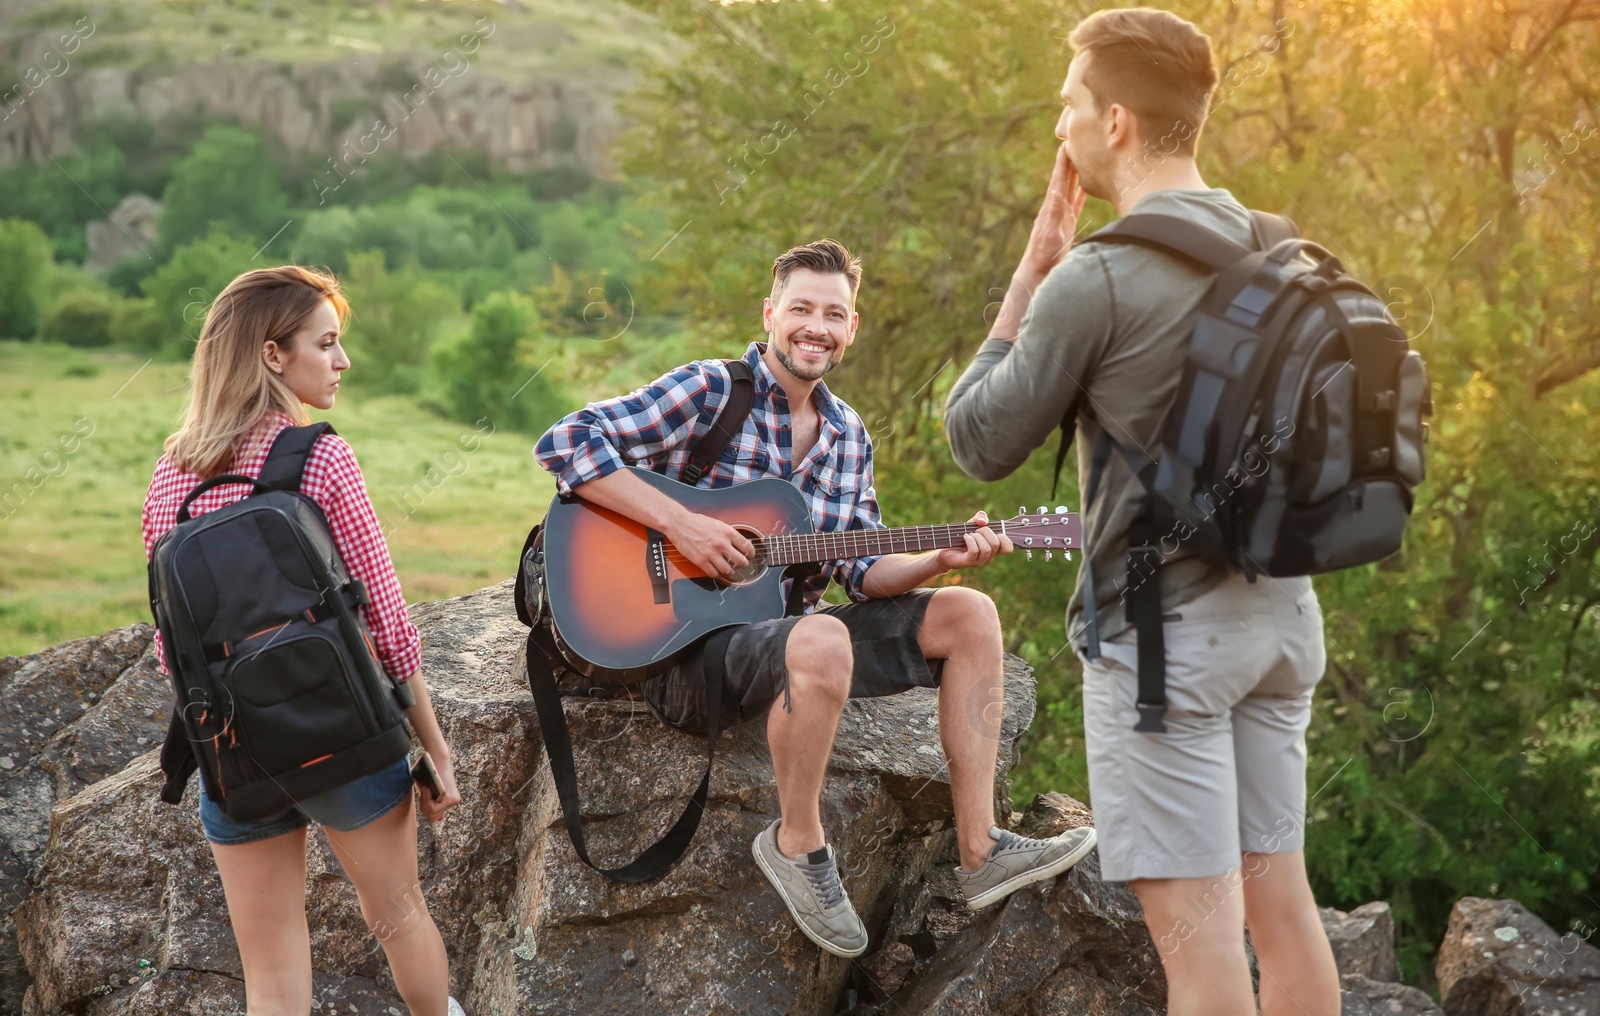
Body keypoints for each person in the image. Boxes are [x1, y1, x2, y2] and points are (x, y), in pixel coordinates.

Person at [535, 239, 1097, 958]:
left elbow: (861, 572)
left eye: (834, 314)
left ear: (851, 328)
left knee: (970, 614)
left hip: (777, 641)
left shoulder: (846, 434)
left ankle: (982, 850)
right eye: (801, 308)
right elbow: (566, 441)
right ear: (771, 314)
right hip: (679, 649)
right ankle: (798, 845)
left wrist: (939, 558)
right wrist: (684, 526)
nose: (816, 327)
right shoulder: (710, 390)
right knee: (820, 638)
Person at [943, 9, 1341, 1016]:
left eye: (1069, 105)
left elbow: (978, 439)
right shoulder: (1286, 250)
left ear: (1115, 122)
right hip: (1282, 619)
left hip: (1163, 648)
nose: (1060, 128)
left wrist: (1032, 273)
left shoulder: (1099, 274)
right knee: (1281, 911)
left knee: (1200, 958)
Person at [141, 266, 467, 1016]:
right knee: (400, 919)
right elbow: (386, 622)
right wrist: (435, 749)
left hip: (236, 757)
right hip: (343, 740)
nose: (342, 361)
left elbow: (172, 653)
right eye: (326, 344)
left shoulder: (171, 476)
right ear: (272, 355)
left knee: (272, 978)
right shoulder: (318, 456)